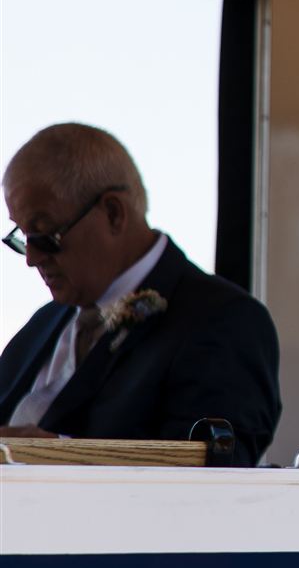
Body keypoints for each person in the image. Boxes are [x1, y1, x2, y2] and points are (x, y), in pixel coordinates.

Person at [0, 124, 280, 466]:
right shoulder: (44, 323)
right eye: (21, 236)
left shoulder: (225, 322)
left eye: (45, 235)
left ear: (114, 213)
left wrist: (46, 454)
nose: (31, 258)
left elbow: (215, 474)